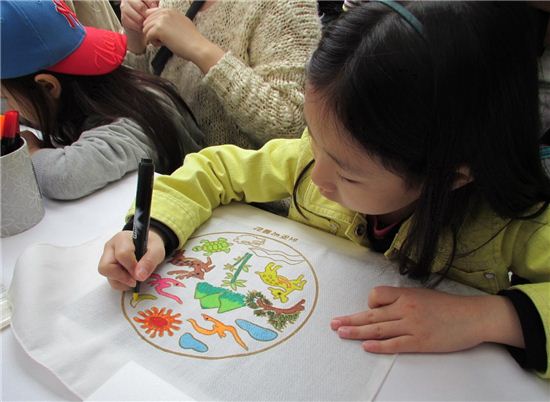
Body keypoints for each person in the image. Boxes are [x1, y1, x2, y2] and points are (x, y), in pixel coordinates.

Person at [98, 2, 550, 378]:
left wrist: (491, 318)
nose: (316, 176)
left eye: (349, 175)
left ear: (452, 175)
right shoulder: (313, 159)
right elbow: (216, 169)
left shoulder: (510, 225)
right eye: (314, 138)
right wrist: (157, 228)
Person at [1, 0, 204, 200]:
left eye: (5, 97)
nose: (8, 106)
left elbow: (64, 177)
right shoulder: (90, 91)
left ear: (47, 86)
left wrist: (29, 150)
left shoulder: (133, 121)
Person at [120, 0, 321, 149]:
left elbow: (291, 127)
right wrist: (135, 40)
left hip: (239, 189)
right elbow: (143, 94)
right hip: (168, 172)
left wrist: (201, 50)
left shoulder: (284, 6)